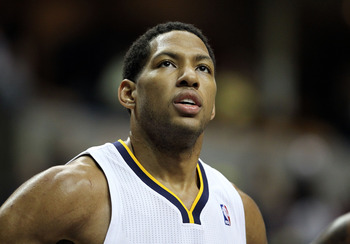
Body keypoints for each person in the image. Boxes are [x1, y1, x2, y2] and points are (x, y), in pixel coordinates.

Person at [0, 21, 267, 244]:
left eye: (203, 68)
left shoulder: (242, 212)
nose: (190, 77)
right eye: (167, 63)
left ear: (212, 108)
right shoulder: (77, 189)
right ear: (129, 94)